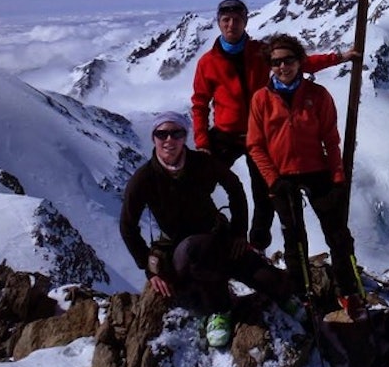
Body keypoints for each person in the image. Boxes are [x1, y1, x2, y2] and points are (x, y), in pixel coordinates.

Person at [191, 0, 357, 252]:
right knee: (201, 184)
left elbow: (299, 62)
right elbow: (200, 103)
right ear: (219, 23)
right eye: (226, 20)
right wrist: (202, 143)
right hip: (225, 134)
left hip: (261, 133)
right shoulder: (208, 62)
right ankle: (204, 238)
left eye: (237, 20)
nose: (231, 25)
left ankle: (257, 246)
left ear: (245, 22)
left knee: (266, 192)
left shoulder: (260, 52)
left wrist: (339, 58)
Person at [119, 111, 293, 347]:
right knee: (197, 250)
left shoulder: (200, 163)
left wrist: (239, 232)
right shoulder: (145, 178)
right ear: (154, 138)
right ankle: (219, 310)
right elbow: (127, 226)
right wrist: (151, 270)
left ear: (184, 137)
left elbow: (235, 188)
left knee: (268, 279)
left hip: (219, 237)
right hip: (183, 251)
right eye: (162, 134)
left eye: (176, 133)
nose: (169, 140)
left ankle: (283, 292)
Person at [246, 33, 365, 321]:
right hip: (282, 175)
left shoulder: (318, 95)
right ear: (270, 66)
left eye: (288, 60)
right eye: (276, 62)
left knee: (338, 235)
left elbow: (331, 140)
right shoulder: (261, 99)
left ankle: (348, 290)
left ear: (300, 62)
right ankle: (301, 292)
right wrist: (272, 179)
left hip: (317, 171)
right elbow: (255, 144)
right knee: (294, 238)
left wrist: (337, 176)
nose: (283, 66)